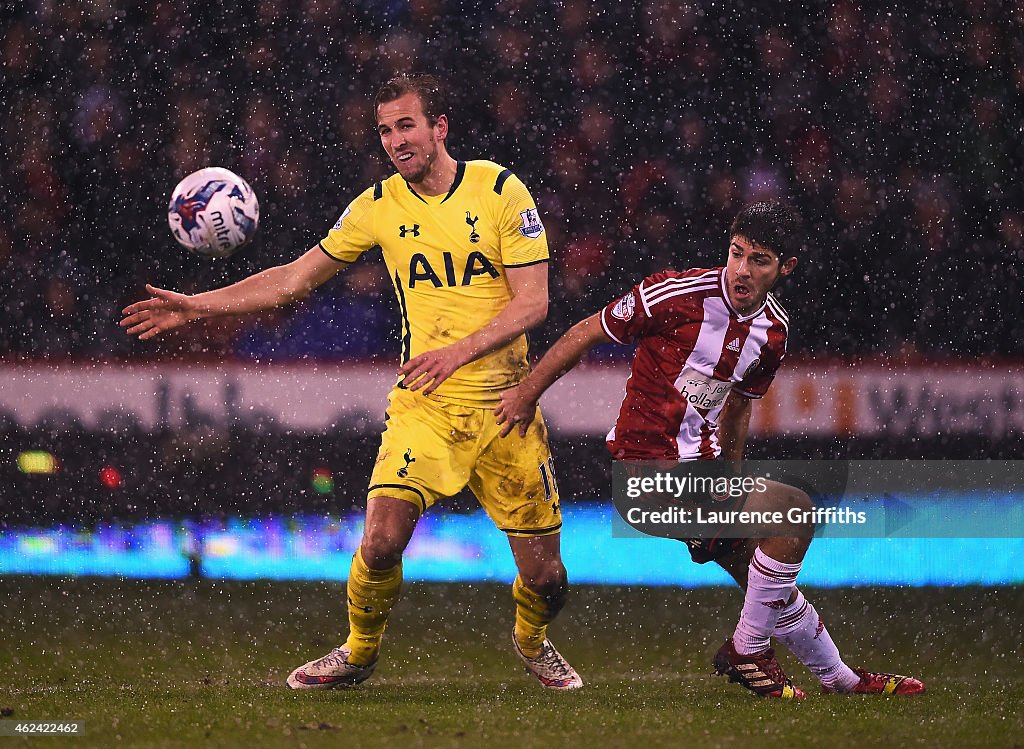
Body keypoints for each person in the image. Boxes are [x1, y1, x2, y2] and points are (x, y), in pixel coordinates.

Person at [121, 73, 582, 691]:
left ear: (439, 127)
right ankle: (357, 652)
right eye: (386, 130)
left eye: (407, 125)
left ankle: (532, 640)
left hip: (507, 403)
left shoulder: (501, 190)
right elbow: (293, 279)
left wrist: (459, 351)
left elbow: (533, 304)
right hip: (425, 402)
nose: (395, 140)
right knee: (384, 538)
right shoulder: (377, 206)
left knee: (548, 577)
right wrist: (196, 306)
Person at [496, 200, 924, 698]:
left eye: (759, 260)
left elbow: (738, 409)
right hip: (646, 476)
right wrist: (526, 395)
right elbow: (586, 332)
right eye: (737, 253)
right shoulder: (675, 294)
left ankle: (839, 680)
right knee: (795, 513)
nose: (742, 270)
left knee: (766, 581)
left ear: (785, 268)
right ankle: (747, 648)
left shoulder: (773, 333)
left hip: (701, 476)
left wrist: (732, 479)